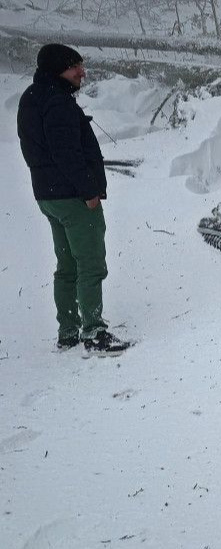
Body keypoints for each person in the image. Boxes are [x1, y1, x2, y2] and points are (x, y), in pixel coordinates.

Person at [17, 43, 129, 355]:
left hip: (48, 196)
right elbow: (66, 153)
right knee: (90, 264)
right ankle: (93, 332)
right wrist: (89, 192)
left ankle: (68, 332)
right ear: (58, 71)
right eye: (74, 67)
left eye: (81, 64)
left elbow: (34, 148)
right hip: (73, 198)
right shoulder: (58, 103)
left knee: (67, 264)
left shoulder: (32, 98)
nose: (82, 72)